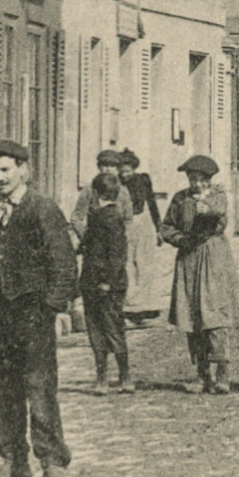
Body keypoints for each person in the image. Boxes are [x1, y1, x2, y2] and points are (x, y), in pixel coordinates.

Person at [0, 140, 78, 477]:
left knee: (39, 389)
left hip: (31, 316)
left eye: (5, 170)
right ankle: (11, 462)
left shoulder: (41, 210)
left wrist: (52, 309)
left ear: (23, 171)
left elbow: (64, 264)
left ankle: (52, 463)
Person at [161, 155, 239, 395]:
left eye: (200, 179)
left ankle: (222, 374)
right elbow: (166, 228)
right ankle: (202, 374)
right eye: (192, 179)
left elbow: (219, 219)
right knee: (192, 316)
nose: (196, 184)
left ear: (209, 179)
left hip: (213, 259)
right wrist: (180, 239)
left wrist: (207, 208)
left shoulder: (217, 197)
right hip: (188, 260)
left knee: (213, 315)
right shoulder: (179, 199)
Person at [79, 172, 132, 395]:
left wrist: (106, 282)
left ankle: (106, 378)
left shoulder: (102, 218)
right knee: (113, 327)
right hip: (107, 282)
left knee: (100, 329)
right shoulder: (116, 218)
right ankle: (123, 376)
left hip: (101, 283)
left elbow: (113, 256)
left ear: (97, 194)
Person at [117, 148, 164, 325]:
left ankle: (144, 308)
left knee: (145, 264)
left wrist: (159, 228)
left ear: (133, 169)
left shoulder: (143, 180)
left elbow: (151, 202)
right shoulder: (116, 184)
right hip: (125, 226)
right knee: (128, 264)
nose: (124, 174)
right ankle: (129, 309)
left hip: (143, 224)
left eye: (127, 170)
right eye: (122, 171)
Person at [70, 150, 136, 248]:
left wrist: (123, 239)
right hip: (95, 242)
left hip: (117, 242)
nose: (108, 169)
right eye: (105, 165)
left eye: (112, 166)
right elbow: (76, 218)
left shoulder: (123, 190)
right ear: (99, 167)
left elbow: (128, 219)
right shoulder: (90, 189)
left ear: (117, 169)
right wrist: (87, 237)